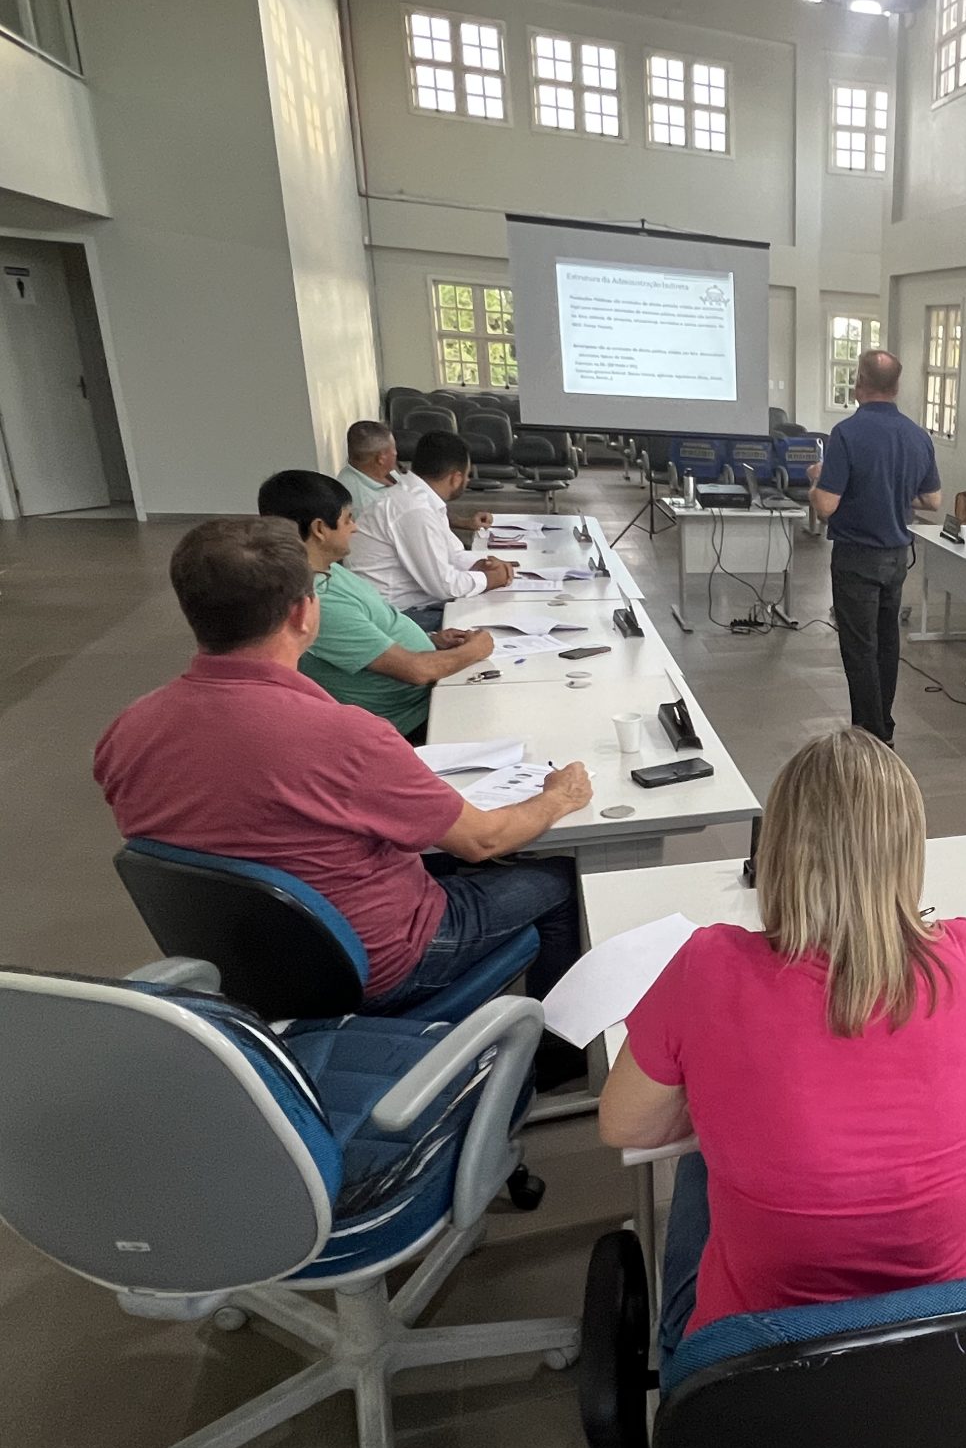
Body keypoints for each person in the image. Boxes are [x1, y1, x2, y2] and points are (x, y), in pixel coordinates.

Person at [597, 728, 966, 1349]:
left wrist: (737, 1106)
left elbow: (626, 1126)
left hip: (757, 1356)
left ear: (776, 852)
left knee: (700, 1166)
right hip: (948, 1339)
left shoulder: (708, 966)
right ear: (908, 854)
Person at [95, 517, 593, 1013]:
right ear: (303, 613)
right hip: (379, 963)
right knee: (560, 879)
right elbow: (483, 841)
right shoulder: (345, 736)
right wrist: (558, 798)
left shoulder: (126, 730)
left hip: (242, 963)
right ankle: (556, 1048)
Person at [257, 469, 494, 743]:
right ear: (320, 529)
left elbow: (371, 631)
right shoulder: (319, 599)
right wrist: (475, 649)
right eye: (348, 519)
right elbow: (417, 671)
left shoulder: (327, 569)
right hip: (412, 721)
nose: (355, 527)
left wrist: (431, 640)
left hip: (425, 696)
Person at [809, 350, 943, 745]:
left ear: (859, 384)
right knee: (886, 643)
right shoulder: (917, 436)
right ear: (897, 387)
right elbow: (932, 500)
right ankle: (884, 724)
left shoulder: (846, 433)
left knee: (859, 648)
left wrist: (816, 479)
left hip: (856, 557)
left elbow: (826, 506)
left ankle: (871, 734)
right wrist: (891, 493)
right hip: (896, 557)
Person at [347, 429, 514, 632]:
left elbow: (452, 554)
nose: (468, 481)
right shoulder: (413, 509)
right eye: (467, 475)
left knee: (491, 608)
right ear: (455, 478)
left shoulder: (419, 498)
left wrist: (483, 564)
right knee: (493, 624)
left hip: (414, 606)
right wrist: (489, 579)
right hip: (396, 617)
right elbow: (444, 585)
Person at [334, 420, 406, 521]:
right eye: (393, 449)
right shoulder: (366, 505)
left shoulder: (381, 471)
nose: (396, 453)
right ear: (381, 458)